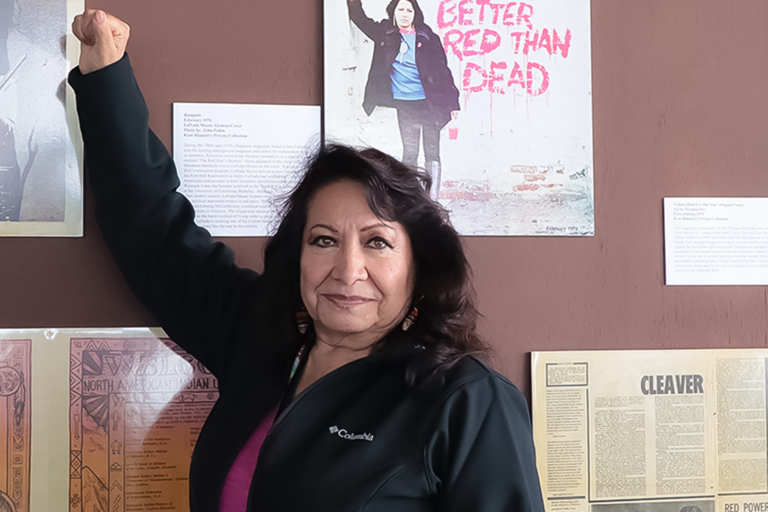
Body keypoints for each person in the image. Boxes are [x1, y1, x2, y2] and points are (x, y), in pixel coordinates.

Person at [69, 9, 544, 512]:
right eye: (323, 240)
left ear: (419, 263)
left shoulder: (466, 400)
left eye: (377, 242)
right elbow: (153, 233)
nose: (347, 268)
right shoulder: (258, 332)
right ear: (298, 252)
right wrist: (106, 76)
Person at [348, 0, 460, 199]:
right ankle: (413, 198)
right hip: (405, 104)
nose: (405, 14)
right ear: (394, 12)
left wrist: (452, 102)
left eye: (409, 10)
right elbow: (359, 19)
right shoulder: (385, 33)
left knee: (432, 151)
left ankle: (432, 200)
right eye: (401, 9)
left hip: (429, 103)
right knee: (410, 153)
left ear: (415, 13)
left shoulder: (427, 36)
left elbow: (443, 70)